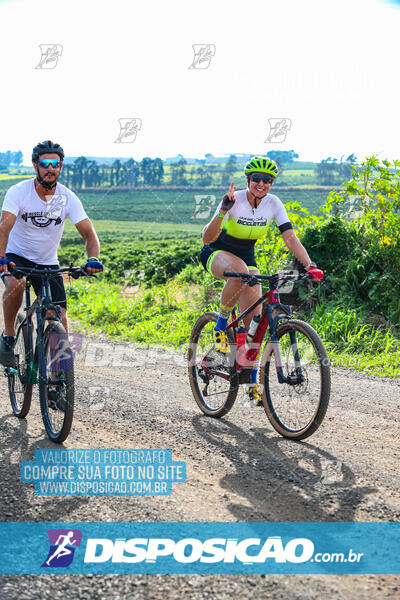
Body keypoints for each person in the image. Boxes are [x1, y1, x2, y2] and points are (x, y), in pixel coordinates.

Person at [200, 156, 323, 405]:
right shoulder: (234, 201)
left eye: (267, 180)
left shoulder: (273, 203)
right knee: (241, 272)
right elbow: (206, 237)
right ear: (248, 180)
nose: (261, 184)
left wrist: (310, 266)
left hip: (246, 256)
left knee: (255, 322)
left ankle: (251, 380)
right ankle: (220, 328)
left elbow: (289, 237)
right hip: (217, 251)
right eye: (256, 179)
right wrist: (223, 209)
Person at [0, 140, 103, 369]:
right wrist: (1, 258)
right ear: (35, 165)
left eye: (55, 164)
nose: (50, 168)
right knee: (16, 283)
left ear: (61, 167)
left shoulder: (67, 197)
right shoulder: (19, 192)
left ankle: (58, 380)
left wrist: (93, 259)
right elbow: (4, 227)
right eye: (45, 163)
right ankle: (8, 336)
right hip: (17, 256)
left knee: (59, 317)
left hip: (48, 262)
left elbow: (89, 233)